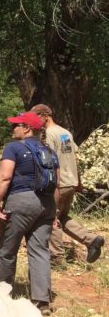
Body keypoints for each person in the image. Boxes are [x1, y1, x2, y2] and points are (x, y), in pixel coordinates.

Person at [0, 111, 59, 315]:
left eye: (16, 125)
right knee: (40, 251)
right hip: (47, 203)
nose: (13, 129)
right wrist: (54, 212)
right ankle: (42, 301)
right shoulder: (49, 151)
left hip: (21, 201)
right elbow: (56, 183)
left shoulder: (14, 148)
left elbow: (5, 177)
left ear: (27, 128)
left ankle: (0, 295)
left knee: (7, 249)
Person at [30, 104, 105, 264]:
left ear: (45, 116)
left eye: (36, 117)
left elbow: (48, 162)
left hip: (59, 184)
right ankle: (91, 240)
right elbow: (73, 158)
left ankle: (56, 258)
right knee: (62, 217)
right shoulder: (65, 133)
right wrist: (78, 181)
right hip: (70, 182)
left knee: (51, 218)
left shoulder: (49, 135)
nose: (34, 121)